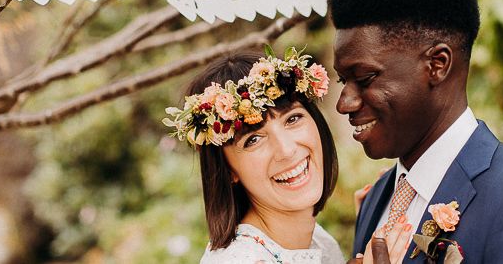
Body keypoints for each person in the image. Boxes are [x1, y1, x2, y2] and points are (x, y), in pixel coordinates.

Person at [328, 0, 503, 264]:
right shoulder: (377, 198)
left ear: (437, 64)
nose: (345, 103)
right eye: (344, 81)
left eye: (365, 78)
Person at [163, 49, 412, 264]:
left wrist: (371, 220)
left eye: (292, 119)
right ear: (228, 170)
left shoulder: (319, 242)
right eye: (253, 140)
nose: (286, 150)